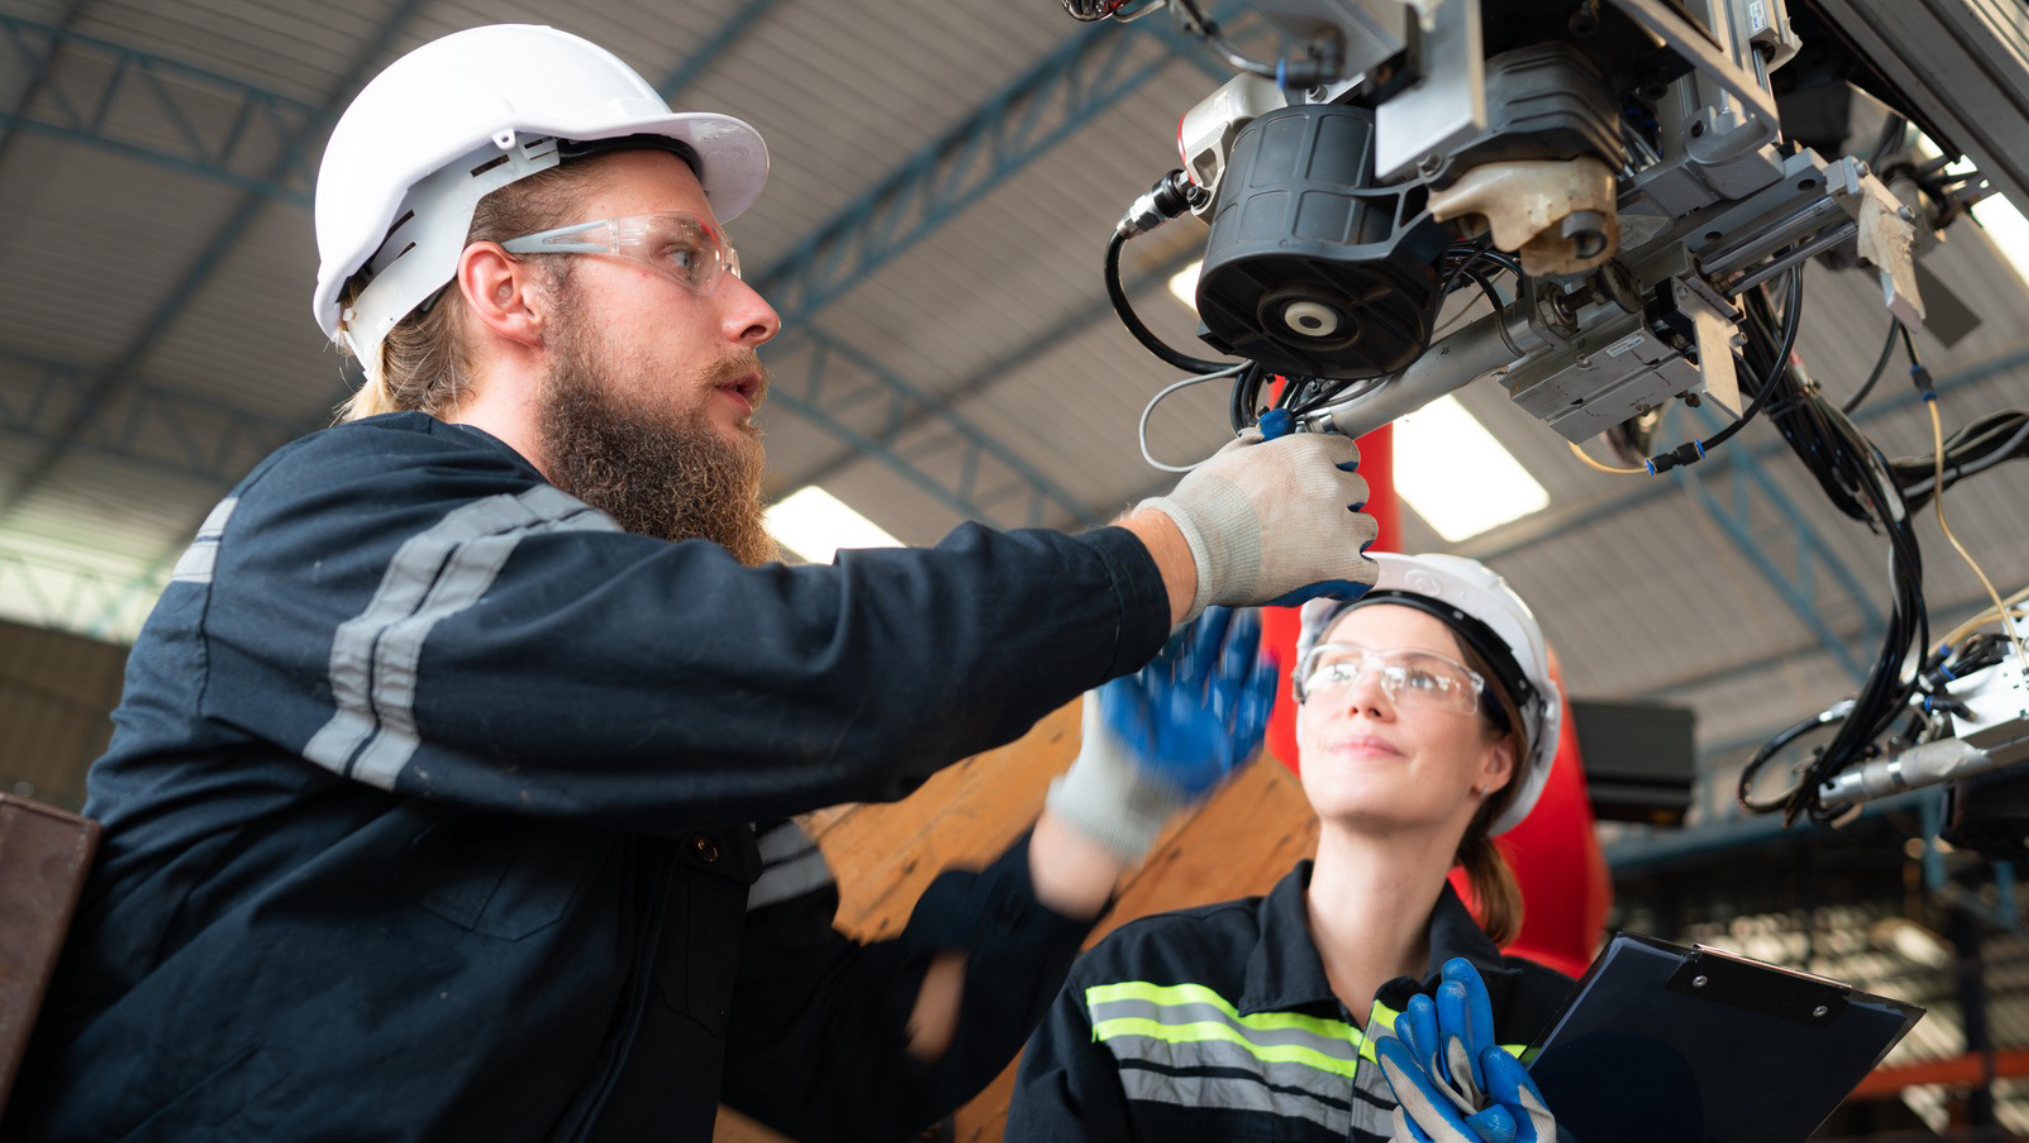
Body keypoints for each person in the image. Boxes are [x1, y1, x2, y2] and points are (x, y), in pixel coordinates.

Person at [0, 23, 1383, 1143]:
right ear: (506, 293)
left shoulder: (657, 725)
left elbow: (851, 1065)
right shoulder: (328, 528)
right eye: (682, 253)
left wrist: (1094, 821)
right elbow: (816, 673)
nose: (754, 306)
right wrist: (1181, 549)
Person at [1006, 552, 1576, 1143]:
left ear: (1495, 759)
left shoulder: (1566, 1036)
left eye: (1422, 676)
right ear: (1304, 721)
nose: (1365, 699)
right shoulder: (1130, 988)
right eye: (1337, 669)